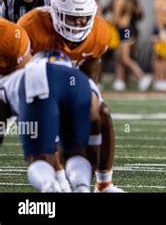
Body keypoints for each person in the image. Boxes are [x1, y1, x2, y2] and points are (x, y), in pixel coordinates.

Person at [18, 0, 123, 192]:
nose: (77, 25)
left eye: (83, 19)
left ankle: (104, 183)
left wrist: (88, 98)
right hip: (37, 82)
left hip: (71, 81)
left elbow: (91, 62)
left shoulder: (99, 32)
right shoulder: (30, 27)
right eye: (71, 18)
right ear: (55, 12)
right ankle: (58, 178)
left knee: (101, 113)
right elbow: (21, 75)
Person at [0, 50, 102, 192]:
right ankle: (82, 186)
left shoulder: (21, 75)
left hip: (37, 80)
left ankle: (48, 185)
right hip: (78, 84)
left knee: (39, 157)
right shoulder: (83, 79)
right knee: (76, 152)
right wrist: (94, 149)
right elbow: (100, 114)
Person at [106, 0, 151, 91]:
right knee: (120, 56)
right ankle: (120, 81)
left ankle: (142, 76)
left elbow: (116, 18)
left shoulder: (119, 0)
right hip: (128, 30)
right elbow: (140, 15)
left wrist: (106, 24)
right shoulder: (132, 1)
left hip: (125, 30)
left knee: (125, 57)